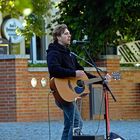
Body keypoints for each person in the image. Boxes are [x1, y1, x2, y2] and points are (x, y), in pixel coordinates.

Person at [46, 24, 96, 140]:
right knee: (77, 124)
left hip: (68, 94)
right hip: (61, 94)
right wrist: (73, 73)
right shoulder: (53, 52)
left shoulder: (70, 55)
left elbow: (82, 73)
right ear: (58, 37)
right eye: (66, 33)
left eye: (69, 33)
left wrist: (101, 80)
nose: (69, 36)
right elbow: (54, 69)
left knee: (69, 125)